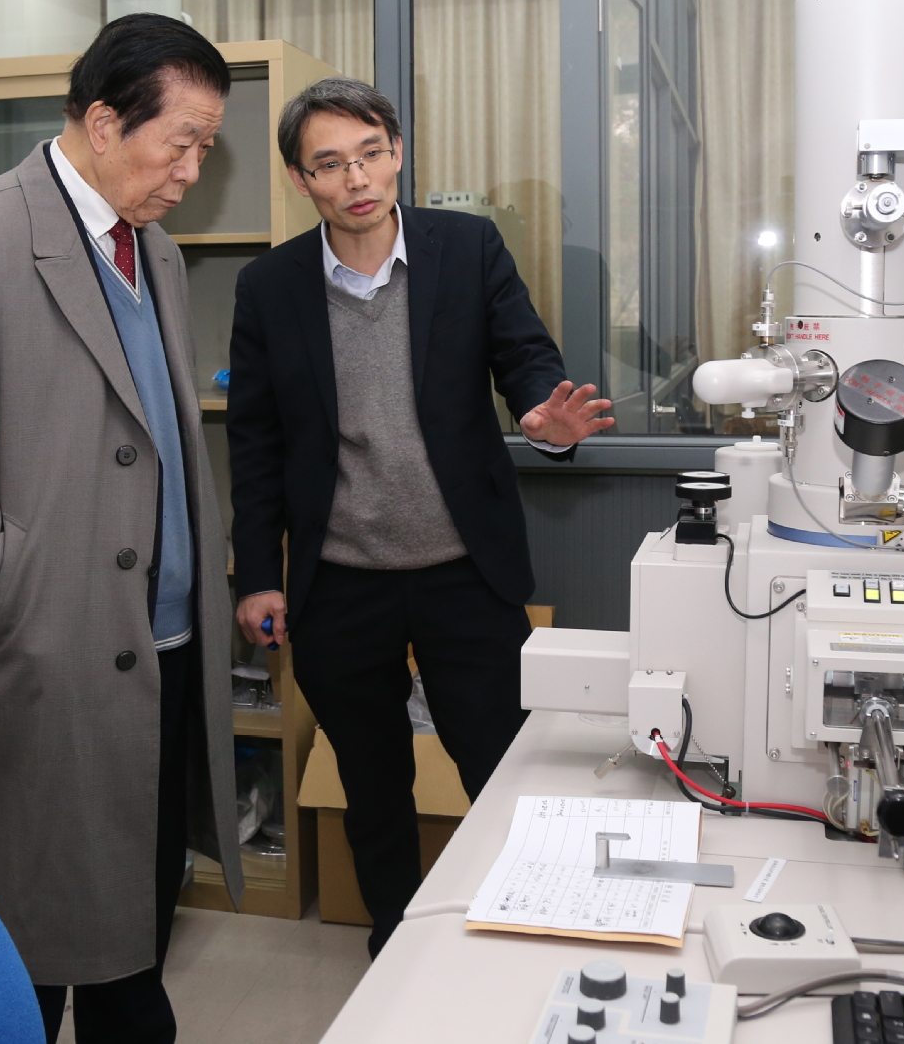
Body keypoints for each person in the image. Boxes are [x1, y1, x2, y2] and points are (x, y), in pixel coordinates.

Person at [0, 14, 243, 1044]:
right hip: (41, 660)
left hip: (162, 654)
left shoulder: (152, 251)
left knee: (135, 935)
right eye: (182, 142)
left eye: (206, 148)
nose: (192, 171)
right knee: (18, 961)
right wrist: (11, 600)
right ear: (103, 121)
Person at [226, 77, 613, 955]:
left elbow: (525, 356)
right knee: (372, 785)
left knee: (502, 768)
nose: (357, 178)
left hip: (463, 574)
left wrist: (541, 418)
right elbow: (254, 443)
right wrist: (256, 575)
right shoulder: (270, 286)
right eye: (331, 163)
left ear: (396, 152)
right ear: (300, 178)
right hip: (339, 583)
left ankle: (526, 931)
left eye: (371, 153)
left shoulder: (466, 247)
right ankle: (396, 945)